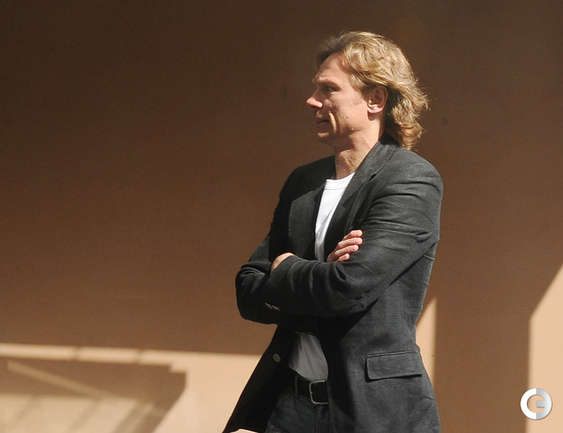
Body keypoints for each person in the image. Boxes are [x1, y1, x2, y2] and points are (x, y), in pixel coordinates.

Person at [224, 31, 442, 433]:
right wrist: (320, 274)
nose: (312, 101)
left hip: (371, 411)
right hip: (289, 405)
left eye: (328, 89)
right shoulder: (303, 182)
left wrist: (287, 269)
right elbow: (248, 290)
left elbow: (348, 288)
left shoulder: (410, 179)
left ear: (375, 99)